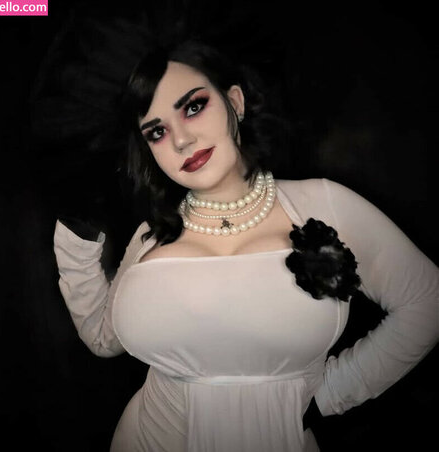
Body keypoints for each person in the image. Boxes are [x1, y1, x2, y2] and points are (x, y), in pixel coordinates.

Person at [53, 40, 438, 452]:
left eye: (193, 107)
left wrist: (333, 392)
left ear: (234, 101)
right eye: (158, 132)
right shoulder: (151, 234)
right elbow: (103, 338)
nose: (181, 140)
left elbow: (427, 302)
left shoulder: (324, 204)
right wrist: (77, 244)